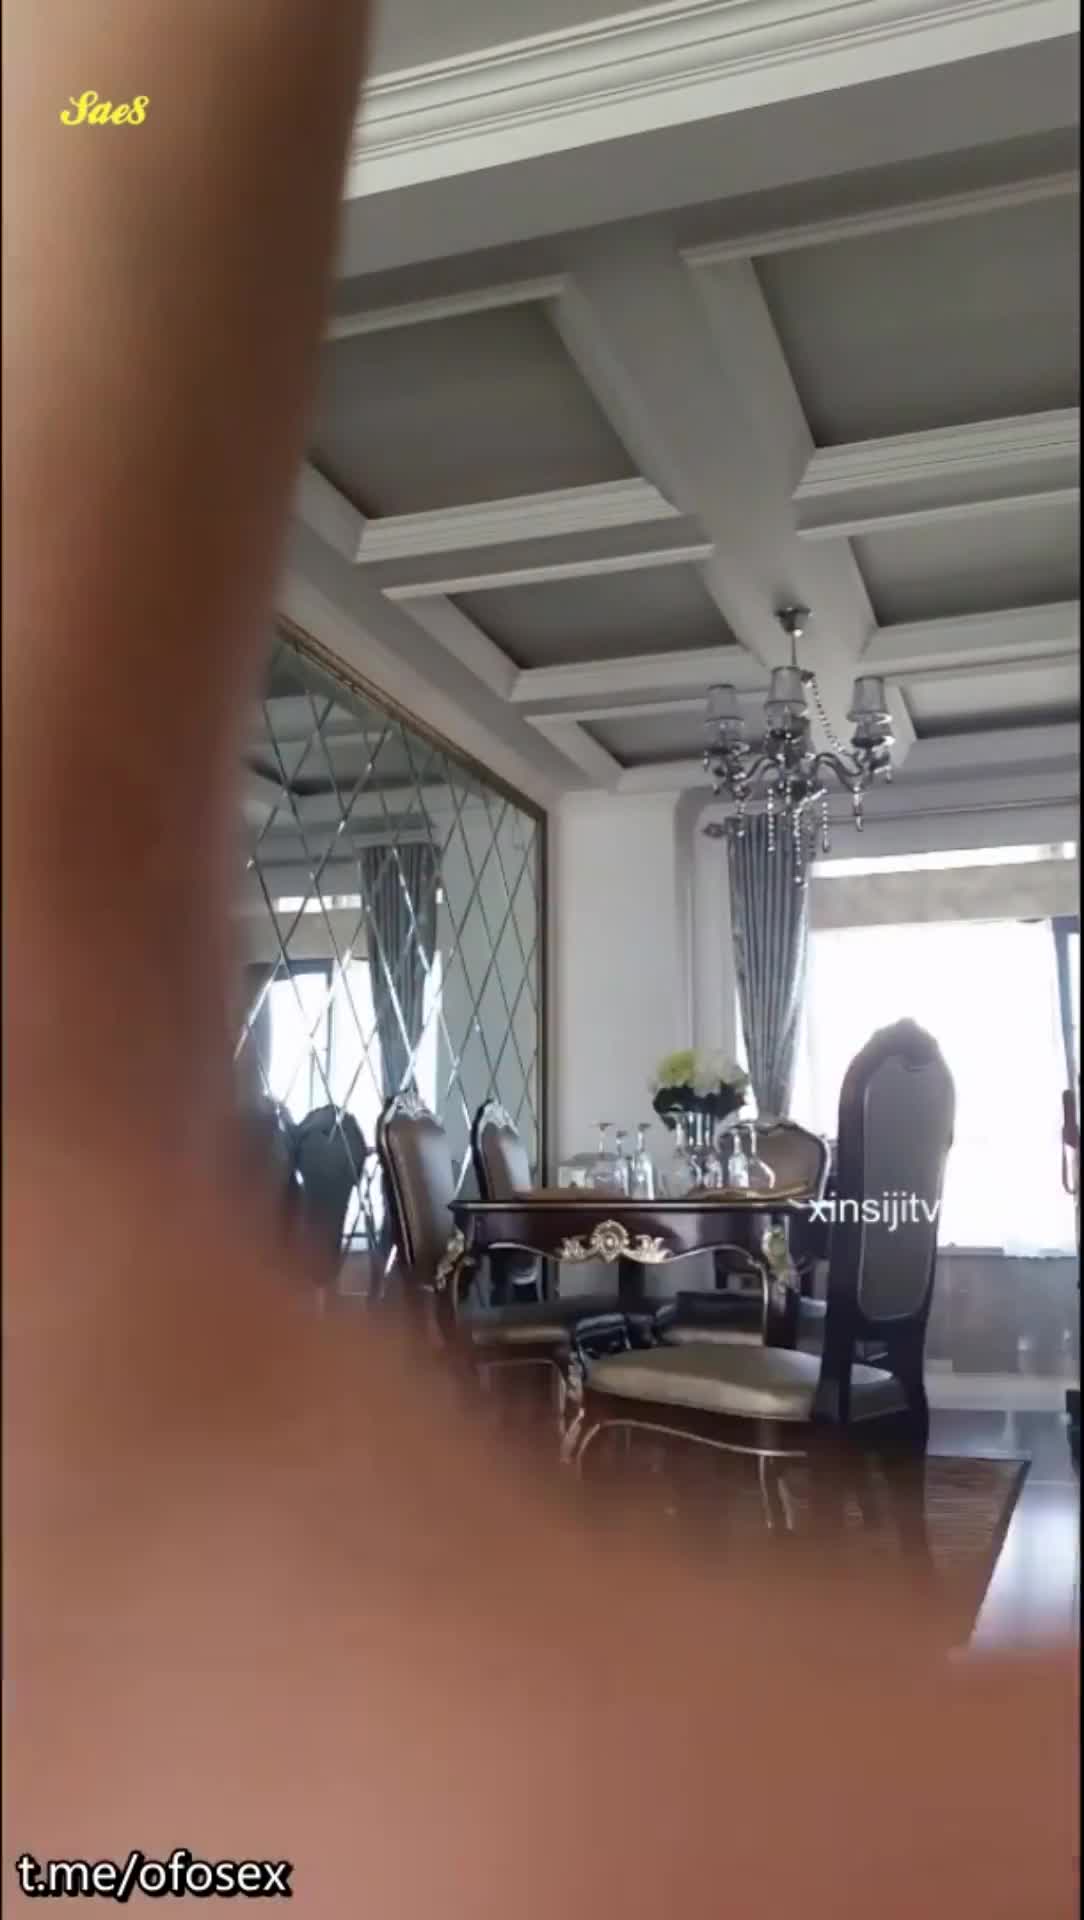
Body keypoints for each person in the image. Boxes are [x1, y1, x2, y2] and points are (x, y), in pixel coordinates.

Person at [3, 7, 1076, 1915]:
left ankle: (647, 1432)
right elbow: (542, 1229)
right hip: (835, 1337)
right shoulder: (737, 1159)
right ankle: (680, 1442)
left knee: (655, 1297)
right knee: (631, 1280)